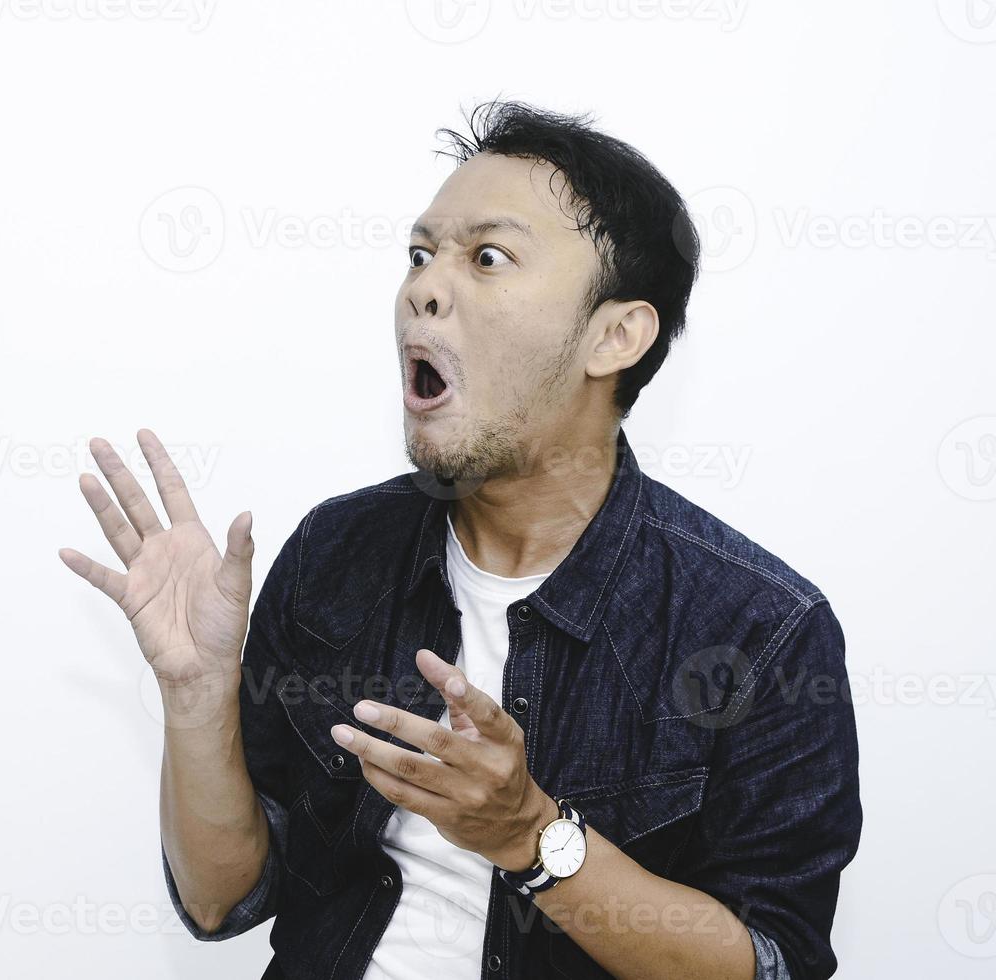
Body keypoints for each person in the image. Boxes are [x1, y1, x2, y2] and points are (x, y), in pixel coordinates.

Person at [59, 101, 861, 980]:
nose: (423, 289)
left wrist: (529, 836)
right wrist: (197, 697)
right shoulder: (336, 550)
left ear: (615, 336)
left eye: (487, 257)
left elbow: (773, 965)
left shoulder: (761, 629)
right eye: (419, 254)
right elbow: (222, 901)